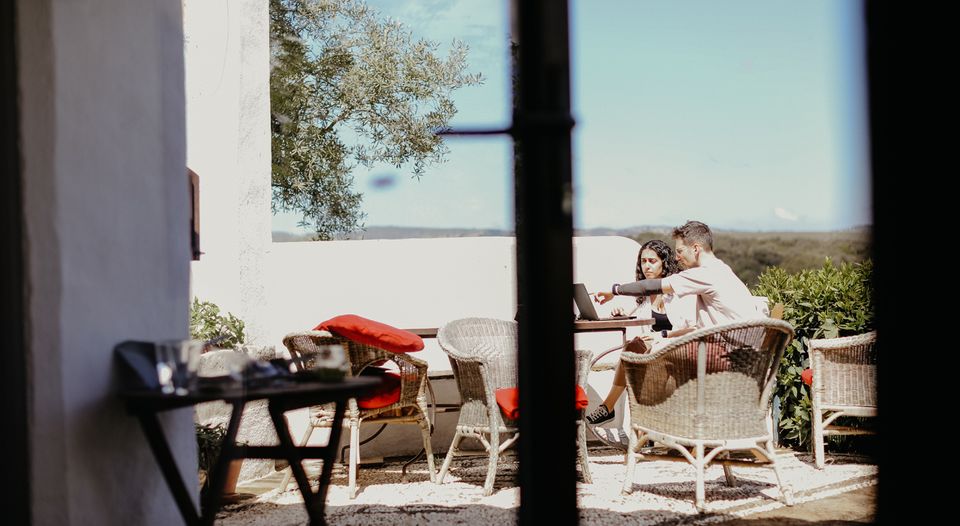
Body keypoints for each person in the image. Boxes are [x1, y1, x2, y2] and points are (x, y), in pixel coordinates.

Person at [585, 220, 763, 425]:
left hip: (730, 357)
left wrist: (613, 290)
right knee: (644, 351)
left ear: (696, 249)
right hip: (745, 356)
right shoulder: (722, 270)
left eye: (680, 251)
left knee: (650, 356)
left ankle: (654, 423)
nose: (677, 257)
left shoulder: (705, 274)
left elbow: (651, 287)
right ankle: (657, 423)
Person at [584, 239, 697, 425]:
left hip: (677, 348)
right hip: (651, 351)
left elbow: (693, 328)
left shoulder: (678, 293)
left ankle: (609, 407)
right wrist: (619, 312)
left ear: (664, 263)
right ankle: (611, 409)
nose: (647, 266)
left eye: (652, 261)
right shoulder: (643, 294)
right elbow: (631, 313)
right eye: (643, 261)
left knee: (633, 347)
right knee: (632, 348)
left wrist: (660, 336)